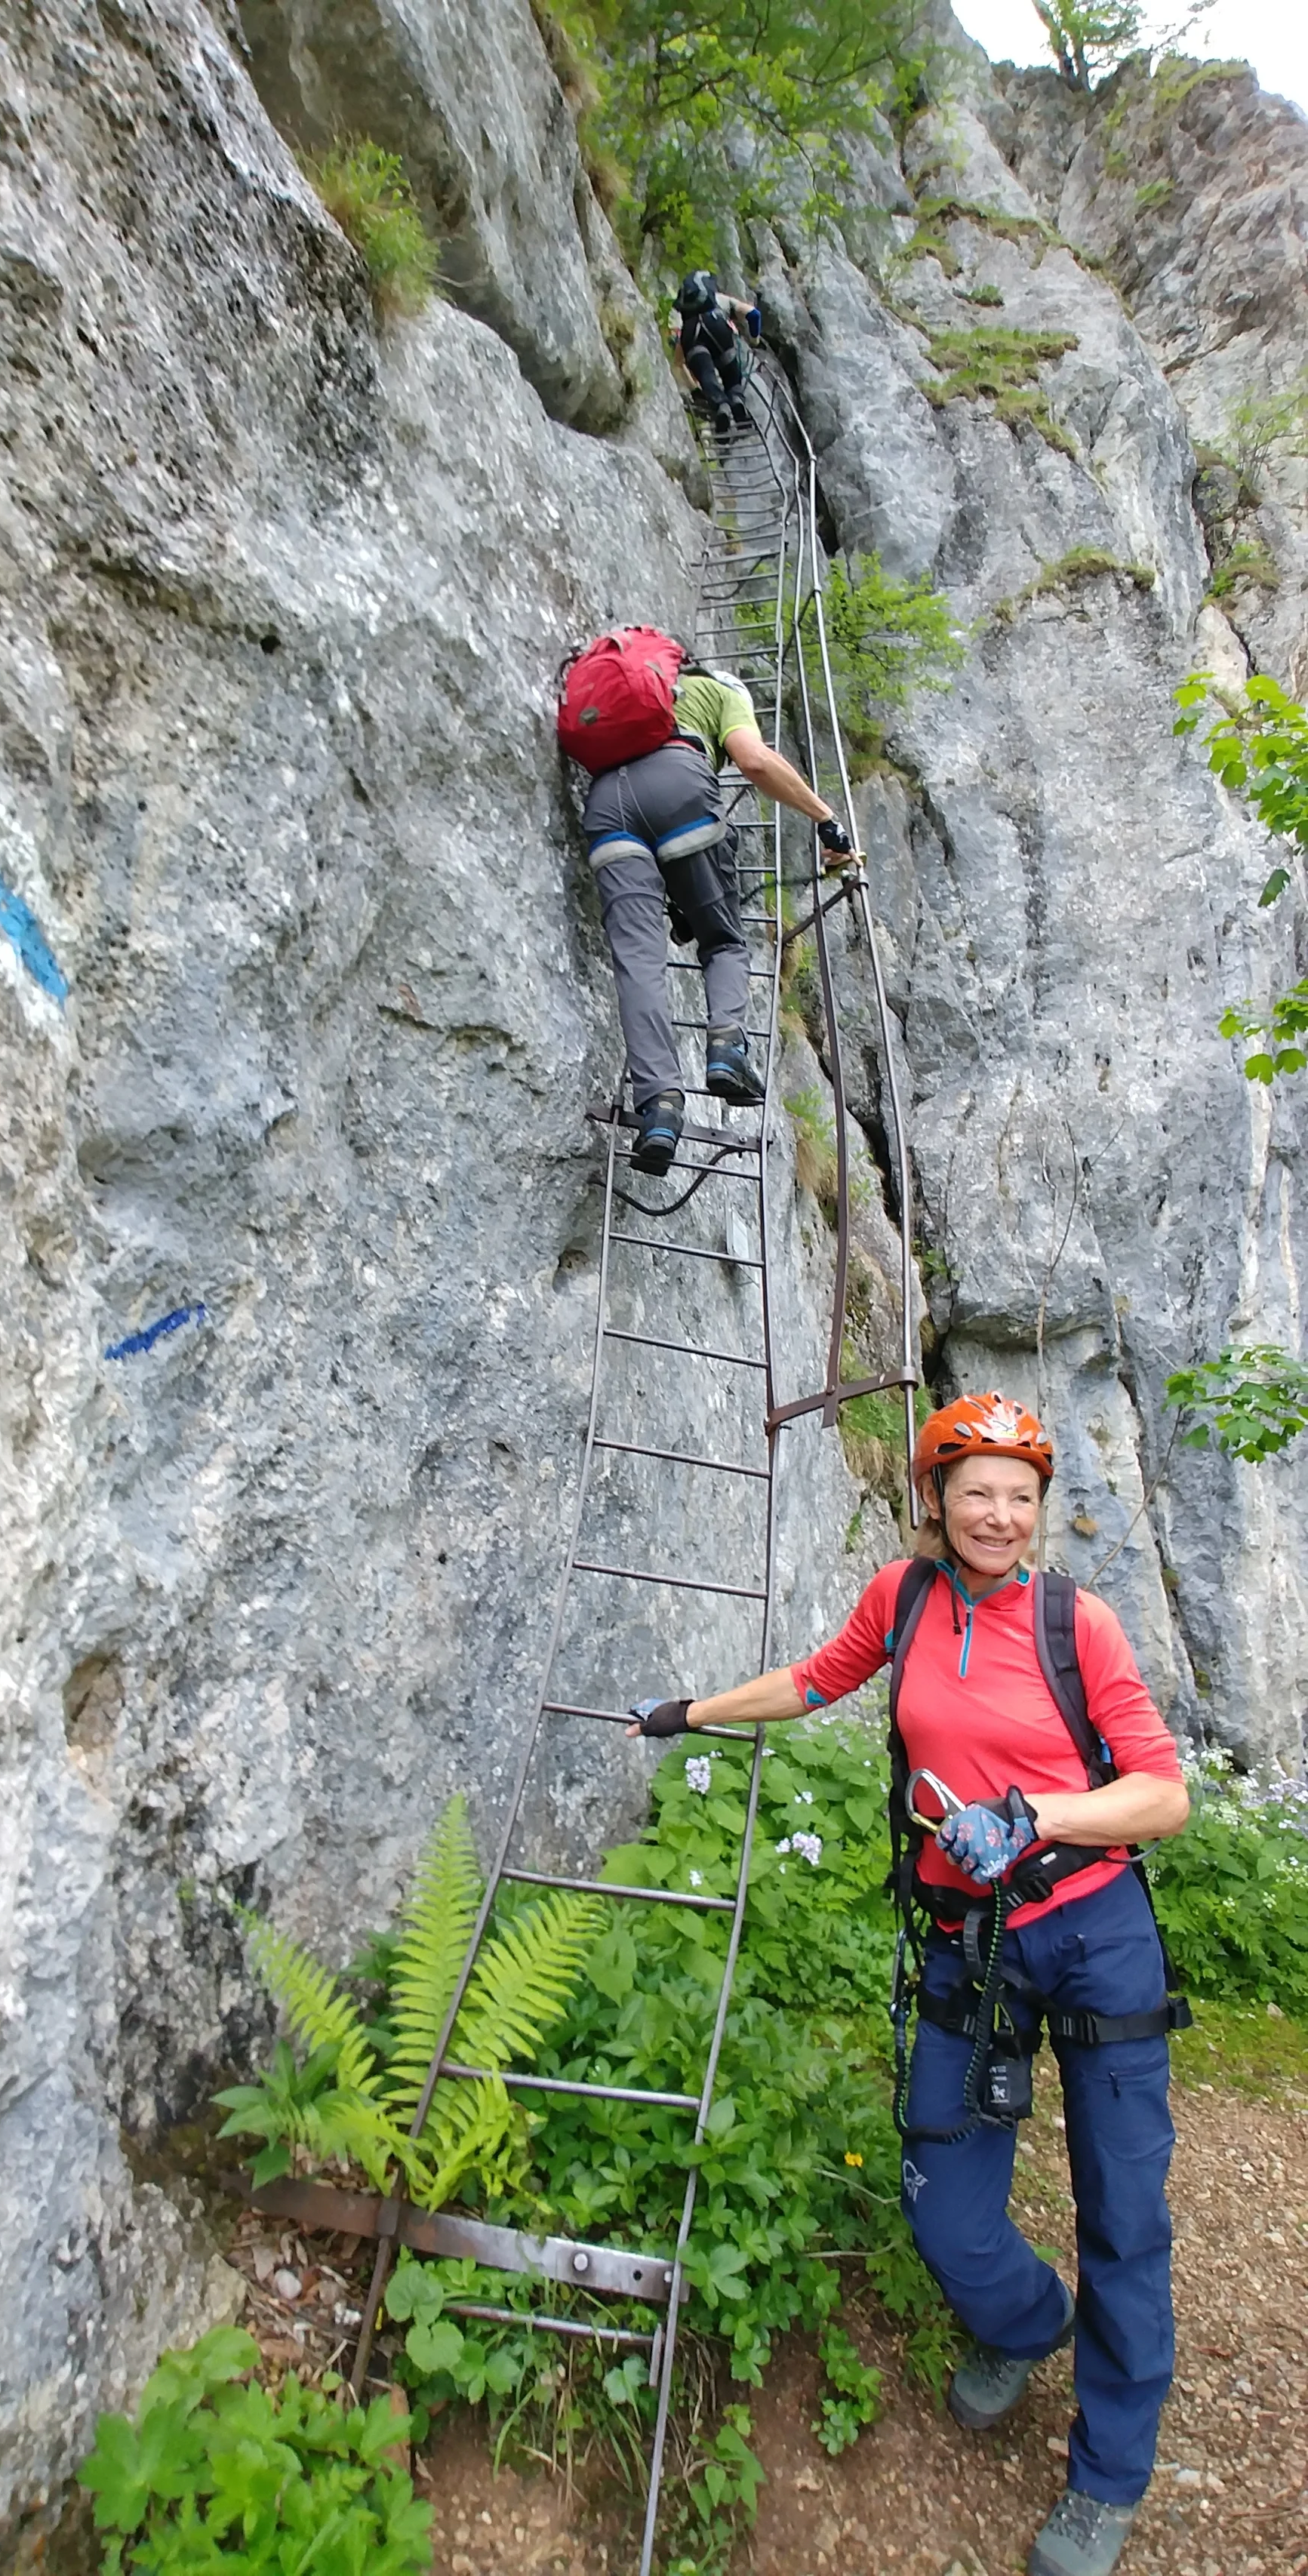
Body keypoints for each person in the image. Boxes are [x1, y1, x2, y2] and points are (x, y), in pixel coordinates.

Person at [626, 1393, 1191, 2576]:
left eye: (1020, 1496)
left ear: (1040, 1512)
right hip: (966, 1939)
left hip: (1092, 1930)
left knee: (1124, 2217)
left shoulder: (1076, 1625)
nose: (997, 1514)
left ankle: (1107, 2479)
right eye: (975, 1490)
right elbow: (816, 1679)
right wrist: (693, 1714)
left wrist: (1035, 1813)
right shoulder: (907, 1598)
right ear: (934, 1498)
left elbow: (1161, 1794)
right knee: (944, 2208)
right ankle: (1034, 2324)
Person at [582, 659, 854, 1173]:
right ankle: (727, 1048)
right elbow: (754, 762)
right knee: (724, 942)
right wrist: (826, 819)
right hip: (678, 785)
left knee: (639, 963)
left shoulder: (652, 697)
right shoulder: (724, 693)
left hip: (605, 803)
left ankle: (660, 1108)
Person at [671, 271, 760, 435]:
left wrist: (695, 390)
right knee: (730, 369)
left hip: (692, 334)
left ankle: (721, 406)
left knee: (706, 374)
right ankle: (736, 399)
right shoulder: (723, 300)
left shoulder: (686, 318)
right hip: (718, 326)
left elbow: (677, 364)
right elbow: (754, 315)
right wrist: (755, 339)